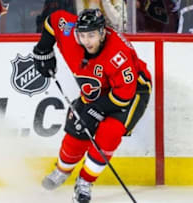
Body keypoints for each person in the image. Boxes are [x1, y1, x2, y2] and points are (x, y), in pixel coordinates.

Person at [32, 8, 152, 202]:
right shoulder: (71, 34)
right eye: (83, 35)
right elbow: (53, 20)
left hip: (131, 94)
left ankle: (85, 181)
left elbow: (123, 96)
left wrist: (95, 109)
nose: (86, 40)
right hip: (99, 90)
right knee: (78, 128)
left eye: (92, 35)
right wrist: (43, 49)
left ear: (102, 32)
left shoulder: (117, 55)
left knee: (109, 134)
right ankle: (62, 171)